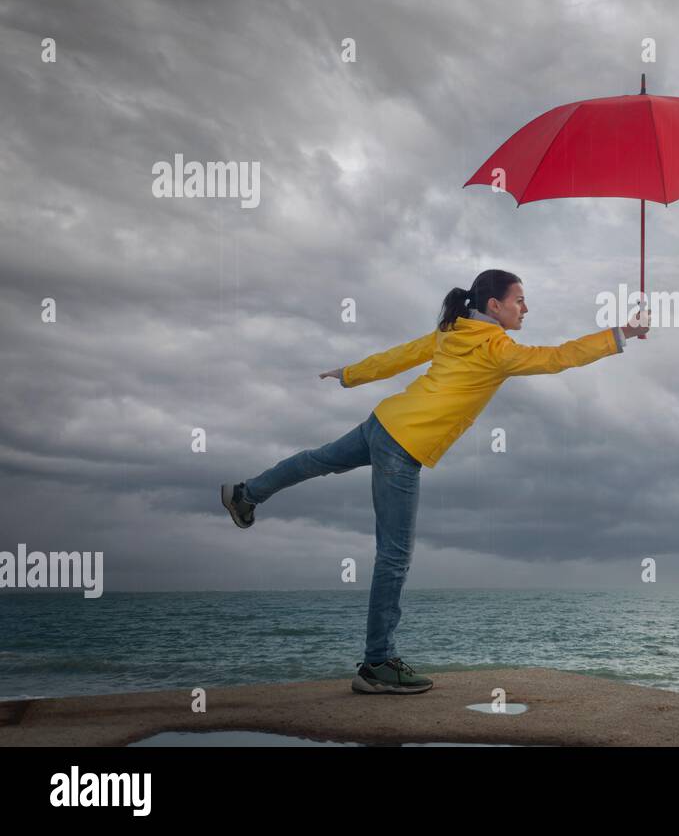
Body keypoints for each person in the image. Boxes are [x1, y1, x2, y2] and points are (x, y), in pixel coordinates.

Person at [220, 269, 650, 694]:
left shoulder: (450, 332)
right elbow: (558, 357)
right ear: (495, 306)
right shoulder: (498, 347)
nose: (526, 307)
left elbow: (400, 355)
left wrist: (351, 374)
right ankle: (377, 664)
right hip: (404, 445)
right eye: (519, 299)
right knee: (394, 557)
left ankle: (245, 493)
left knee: (318, 461)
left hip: (383, 422)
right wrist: (623, 333)